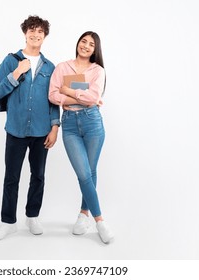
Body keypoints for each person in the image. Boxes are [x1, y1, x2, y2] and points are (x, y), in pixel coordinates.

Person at [0, 15, 60, 241]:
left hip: (41, 132)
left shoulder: (50, 67)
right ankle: (7, 222)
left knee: (38, 175)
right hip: (16, 130)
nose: (35, 34)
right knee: (11, 177)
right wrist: (17, 72)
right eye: (31, 29)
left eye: (40, 31)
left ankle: (32, 216)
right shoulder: (11, 61)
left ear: (45, 36)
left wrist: (54, 127)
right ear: (25, 32)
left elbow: (53, 100)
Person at [48, 31, 113, 244]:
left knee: (90, 170)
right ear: (77, 43)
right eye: (83, 41)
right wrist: (79, 93)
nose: (85, 46)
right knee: (84, 173)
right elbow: (52, 94)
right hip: (69, 125)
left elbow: (95, 97)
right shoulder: (62, 67)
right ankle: (100, 220)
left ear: (96, 49)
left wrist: (68, 89)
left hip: (92, 122)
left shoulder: (98, 70)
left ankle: (83, 214)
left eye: (91, 44)